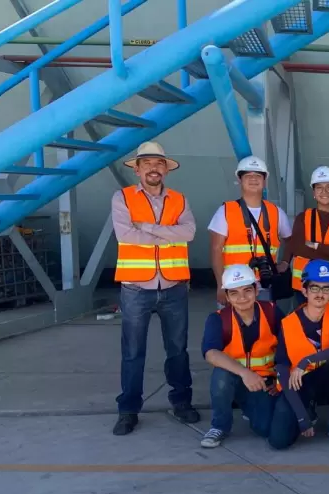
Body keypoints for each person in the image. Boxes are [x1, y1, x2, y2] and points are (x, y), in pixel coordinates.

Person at [111, 142, 198, 436]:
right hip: (136, 288)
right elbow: (125, 234)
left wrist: (147, 228)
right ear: (137, 169)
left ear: (166, 169)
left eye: (159, 163)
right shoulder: (122, 198)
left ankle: (182, 402)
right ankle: (128, 410)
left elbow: (189, 232)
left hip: (173, 286)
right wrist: (167, 234)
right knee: (133, 352)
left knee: (178, 350)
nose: (153, 168)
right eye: (146, 163)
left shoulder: (179, 199)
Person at [268, 260, 329, 449]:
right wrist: (301, 418)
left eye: (326, 289)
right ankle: (308, 412)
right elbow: (282, 367)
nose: (320, 294)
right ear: (304, 290)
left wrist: (307, 360)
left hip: (328, 377)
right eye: (314, 287)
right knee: (279, 441)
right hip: (301, 382)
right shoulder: (289, 322)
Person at [199, 264, 285, 448]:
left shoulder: (271, 312)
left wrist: (280, 379)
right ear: (227, 296)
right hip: (235, 379)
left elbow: (290, 347)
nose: (242, 298)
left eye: (247, 290)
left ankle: (248, 406)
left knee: (265, 429)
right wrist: (245, 373)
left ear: (256, 290)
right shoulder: (218, 318)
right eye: (235, 293)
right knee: (221, 374)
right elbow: (211, 354)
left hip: (263, 382)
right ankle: (219, 426)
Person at [209, 156, 292, 305]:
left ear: (265, 181)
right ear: (239, 180)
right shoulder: (225, 211)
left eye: (258, 176)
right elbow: (216, 249)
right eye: (248, 176)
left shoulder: (276, 212)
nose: (253, 179)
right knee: (232, 326)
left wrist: (285, 262)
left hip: (264, 284)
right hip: (234, 285)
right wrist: (221, 285)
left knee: (265, 325)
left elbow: (291, 241)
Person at [285, 166, 329, 305]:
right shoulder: (303, 217)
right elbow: (298, 248)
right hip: (304, 287)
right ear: (314, 192)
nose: (325, 191)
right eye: (319, 187)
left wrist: (314, 245)